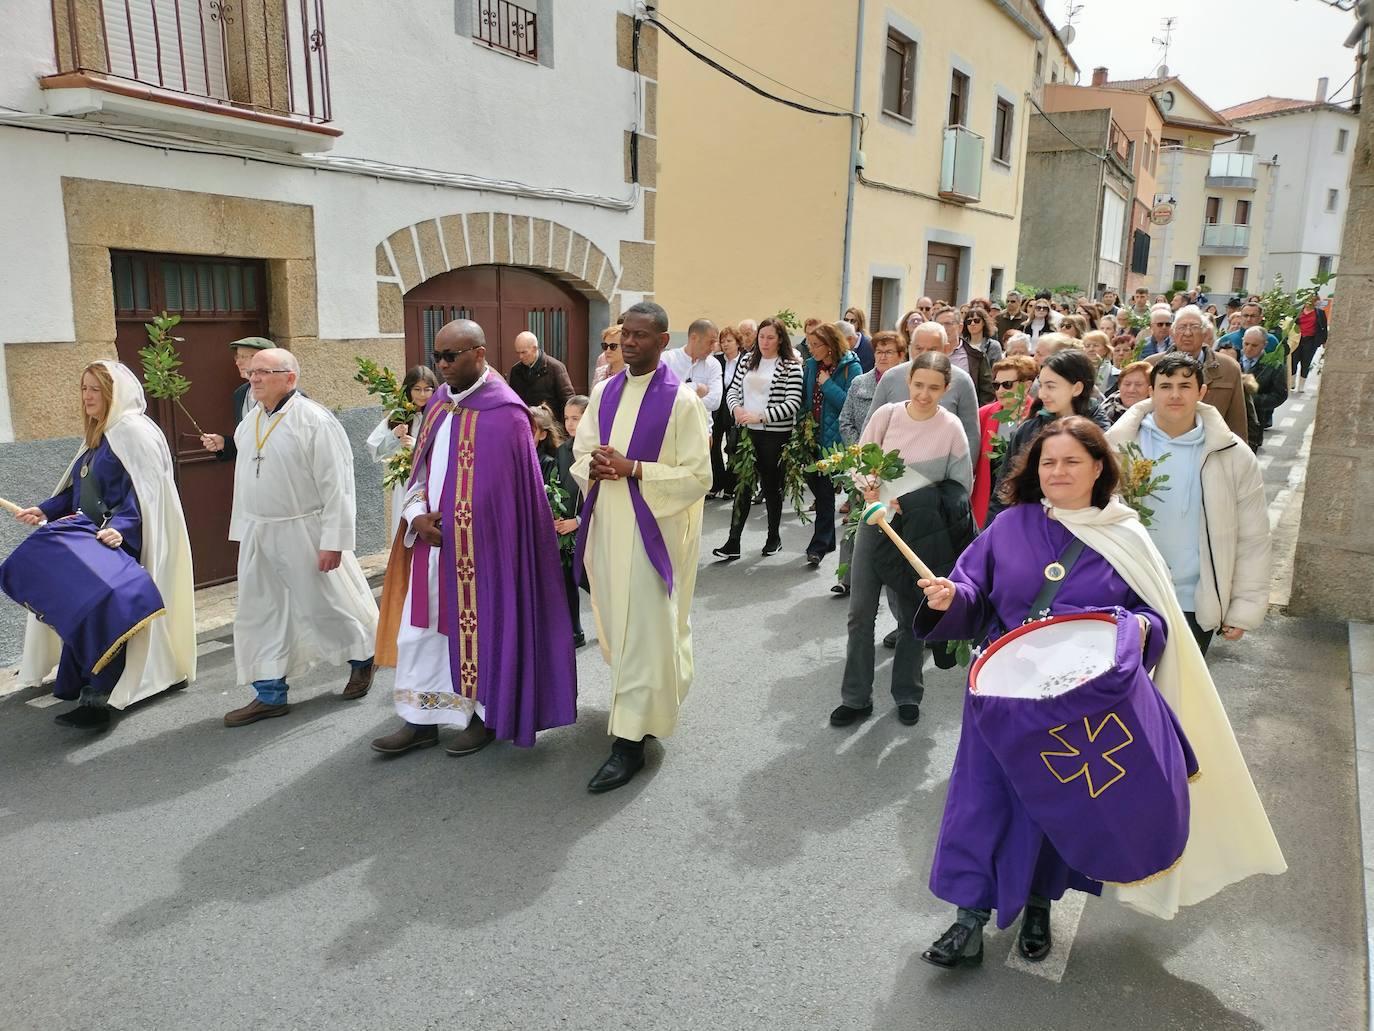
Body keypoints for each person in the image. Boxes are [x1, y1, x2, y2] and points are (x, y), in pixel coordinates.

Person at [914, 416, 1284, 970]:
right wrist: (951, 599)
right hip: (1001, 697)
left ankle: (1039, 907)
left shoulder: (1125, 536)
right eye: (1047, 462)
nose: (1057, 472)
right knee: (979, 799)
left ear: (1097, 469)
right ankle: (967, 919)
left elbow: (1154, 621)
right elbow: (975, 595)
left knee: (1055, 807)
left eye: (1070, 462)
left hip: (1076, 705)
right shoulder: (1009, 525)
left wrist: (1137, 631)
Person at [371, 321, 578, 755]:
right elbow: (420, 473)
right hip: (435, 545)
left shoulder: (507, 414)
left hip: (486, 553)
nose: (442, 365)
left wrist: (482, 530)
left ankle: (485, 715)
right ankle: (422, 718)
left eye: (452, 356)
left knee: (481, 631)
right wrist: (415, 517)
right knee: (422, 632)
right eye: (438, 355)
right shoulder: (439, 405)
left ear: (479, 354)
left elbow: (514, 497)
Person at [571, 301, 712, 792]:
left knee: (649, 628)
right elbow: (582, 449)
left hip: (657, 534)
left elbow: (699, 476)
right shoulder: (605, 392)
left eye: (640, 336)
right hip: (611, 526)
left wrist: (634, 469)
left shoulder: (682, 402)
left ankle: (629, 741)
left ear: (663, 341)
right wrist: (594, 465)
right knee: (622, 625)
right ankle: (637, 709)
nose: (629, 343)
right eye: (624, 335)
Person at [11, 361, 195, 731]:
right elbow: (77, 489)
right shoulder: (99, 435)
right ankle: (83, 688)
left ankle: (96, 699)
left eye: (96, 389)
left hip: (117, 547)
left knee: (102, 619)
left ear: (115, 393)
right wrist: (43, 509)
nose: (88, 396)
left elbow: (145, 496)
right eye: (83, 389)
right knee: (79, 616)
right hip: (87, 545)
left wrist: (121, 529)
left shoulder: (133, 432)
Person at [223, 348, 379, 727]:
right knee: (260, 612)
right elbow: (246, 480)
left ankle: (363, 656)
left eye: (263, 372)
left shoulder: (315, 421)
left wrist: (334, 541)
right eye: (251, 371)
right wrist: (244, 530)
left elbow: (338, 485)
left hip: (304, 529)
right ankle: (270, 693)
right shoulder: (251, 421)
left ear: (289, 378)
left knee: (324, 604)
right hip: (261, 531)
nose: (253, 378)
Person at [832, 352, 973, 729]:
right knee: (859, 613)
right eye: (919, 384)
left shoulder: (952, 428)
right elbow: (860, 463)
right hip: (874, 524)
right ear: (908, 381)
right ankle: (855, 697)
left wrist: (915, 500)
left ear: (946, 388)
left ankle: (908, 693)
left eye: (934, 387)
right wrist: (870, 489)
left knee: (914, 616)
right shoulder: (887, 415)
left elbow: (960, 490)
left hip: (919, 536)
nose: (925, 394)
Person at [1108, 352, 1271, 655]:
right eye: (1166, 385)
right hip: (1126, 591)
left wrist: (1243, 607)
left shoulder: (1231, 455)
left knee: (1181, 698)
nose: (1175, 394)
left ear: (1202, 392)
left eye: (1185, 386)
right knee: (1120, 695)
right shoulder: (1116, 446)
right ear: (1151, 391)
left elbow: (1253, 536)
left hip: (1193, 602)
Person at [713, 318, 803, 559]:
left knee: (772, 486)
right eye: (762, 336)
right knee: (743, 485)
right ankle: (733, 542)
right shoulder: (747, 360)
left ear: (781, 339)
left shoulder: (791, 366)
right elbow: (732, 390)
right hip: (747, 432)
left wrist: (760, 416)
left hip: (775, 434)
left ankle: (774, 536)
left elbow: (792, 403)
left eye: (770, 337)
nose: (764, 342)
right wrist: (736, 410)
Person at [986, 346, 1103, 523]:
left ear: (1077, 388)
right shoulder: (1028, 431)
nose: (1042, 394)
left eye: (1051, 386)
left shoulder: (1098, 433)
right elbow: (1005, 490)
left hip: (1086, 527)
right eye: (1041, 385)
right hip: (1032, 527)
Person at [833, 331, 905, 597]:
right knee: (856, 518)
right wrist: (862, 452)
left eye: (889, 352)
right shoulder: (860, 382)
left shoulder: (907, 386)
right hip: (864, 465)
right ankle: (847, 577)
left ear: (901, 356)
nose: (882, 356)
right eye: (879, 351)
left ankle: (887, 580)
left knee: (891, 523)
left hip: (895, 468)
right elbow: (845, 420)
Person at [867, 322, 980, 468]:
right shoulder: (891, 377)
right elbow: (871, 428)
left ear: (946, 349)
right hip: (889, 475)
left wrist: (957, 481)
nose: (924, 354)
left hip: (939, 478)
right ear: (910, 347)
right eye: (919, 348)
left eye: (932, 349)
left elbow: (971, 436)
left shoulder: (962, 381)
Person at [801, 322, 861, 566]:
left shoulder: (851, 367)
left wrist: (827, 384)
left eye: (816, 345)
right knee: (811, 479)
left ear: (830, 346)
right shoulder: (812, 366)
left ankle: (817, 546)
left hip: (834, 440)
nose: (811, 349)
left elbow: (851, 403)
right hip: (811, 436)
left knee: (825, 493)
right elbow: (806, 399)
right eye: (810, 344)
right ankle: (827, 539)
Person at [1145, 305, 1249, 442]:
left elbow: (1238, 420)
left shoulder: (1228, 368)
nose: (1187, 333)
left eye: (1194, 327)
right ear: (1173, 332)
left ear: (1205, 333)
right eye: (1182, 327)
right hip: (1163, 446)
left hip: (1212, 449)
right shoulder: (1152, 366)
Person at [365, 365, 439, 542]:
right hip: (405, 482)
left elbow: (444, 448)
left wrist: (417, 447)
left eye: (427, 389)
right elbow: (375, 447)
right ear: (408, 390)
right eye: (417, 389)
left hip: (430, 480)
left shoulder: (438, 415)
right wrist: (394, 435)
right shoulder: (399, 415)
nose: (422, 395)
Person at [973, 355, 1036, 527]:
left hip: (1024, 500)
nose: (1000, 390)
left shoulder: (1037, 417)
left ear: (1027, 386)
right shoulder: (984, 414)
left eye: (1007, 384)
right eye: (996, 385)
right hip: (989, 499)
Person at [199, 335, 274, 461]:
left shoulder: (285, 395)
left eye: (244, 357)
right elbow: (247, 441)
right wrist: (225, 443)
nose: (238, 362)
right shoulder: (240, 394)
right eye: (237, 356)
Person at [554, 395, 589, 647]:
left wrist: (578, 520)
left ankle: (613, 622)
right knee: (568, 578)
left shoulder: (595, 450)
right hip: (566, 527)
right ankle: (575, 630)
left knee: (592, 580)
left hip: (587, 526)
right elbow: (560, 485)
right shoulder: (563, 450)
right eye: (566, 418)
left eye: (575, 418)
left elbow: (598, 496)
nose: (569, 424)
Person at [709, 326, 746, 498]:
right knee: (713, 445)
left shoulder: (746, 361)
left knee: (733, 447)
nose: (725, 345)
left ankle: (730, 486)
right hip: (716, 409)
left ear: (738, 343)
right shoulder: (716, 361)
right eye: (722, 341)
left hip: (735, 409)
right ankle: (717, 482)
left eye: (729, 341)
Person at [661, 317, 724, 415]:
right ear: (694, 338)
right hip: (671, 427)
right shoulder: (668, 359)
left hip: (702, 428)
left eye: (715, 343)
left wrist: (677, 398)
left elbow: (715, 402)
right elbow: (660, 394)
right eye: (710, 342)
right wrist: (695, 387)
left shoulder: (713, 365)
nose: (713, 347)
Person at [508, 330, 574, 419]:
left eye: (524, 352)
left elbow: (568, 399)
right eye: (518, 353)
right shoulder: (516, 370)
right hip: (526, 423)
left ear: (534, 349)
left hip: (552, 426)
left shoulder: (555, 368)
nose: (520, 357)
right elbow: (514, 401)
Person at [1240, 327, 1288, 436]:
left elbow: (1280, 395)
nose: (1248, 348)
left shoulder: (1273, 366)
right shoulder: (1233, 358)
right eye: (1246, 344)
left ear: (1264, 345)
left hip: (1254, 423)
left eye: (1254, 345)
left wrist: (1253, 400)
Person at [959, 307, 1000, 404]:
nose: (972, 324)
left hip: (984, 393)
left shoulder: (993, 346)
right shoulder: (961, 345)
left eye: (976, 320)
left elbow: (996, 372)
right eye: (969, 322)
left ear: (984, 322)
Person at [1291, 294, 1328, 393]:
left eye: (1313, 301)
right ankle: (1292, 382)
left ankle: (1302, 385)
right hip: (1297, 340)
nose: (1310, 303)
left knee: (1306, 362)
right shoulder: (1297, 311)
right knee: (1293, 360)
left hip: (1311, 341)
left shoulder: (1320, 313)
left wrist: (1324, 341)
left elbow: (1323, 328)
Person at [1100, 360, 1153, 424]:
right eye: (1127, 384)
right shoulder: (1103, 412)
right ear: (1119, 386)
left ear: (1151, 389)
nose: (1131, 390)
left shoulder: (1158, 415)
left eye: (1138, 385)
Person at [1082, 330, 1118, 395]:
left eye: (1095, 345)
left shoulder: (1117, 376)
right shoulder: (1077, 371)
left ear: (1106, 349)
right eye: (1087, 346)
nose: (1091, 349)